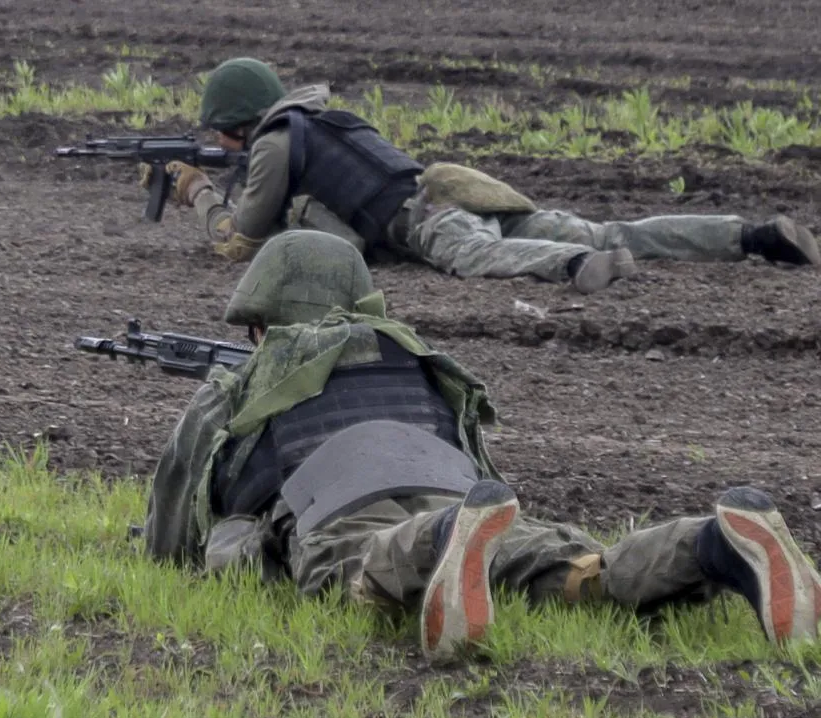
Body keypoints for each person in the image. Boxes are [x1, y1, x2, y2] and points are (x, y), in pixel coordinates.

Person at [144, 229, 821, 663]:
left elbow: (173, 526)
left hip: (354, 509)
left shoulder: (241, 382)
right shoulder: (415, 360)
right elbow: (480, 464)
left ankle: (440, 542)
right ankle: (712, 543)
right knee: (569, 571)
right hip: (465, 494)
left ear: (261, 321)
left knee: (356, 569)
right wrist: (477, 517)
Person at [140, 57, 820, 295]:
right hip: (451, 185)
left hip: (425, 218)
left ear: (236, 123)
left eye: (221, 132)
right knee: (610, 224)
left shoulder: (273, 145)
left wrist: (198, 193)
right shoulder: (320, 120)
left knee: (482, 257)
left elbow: (239, 239)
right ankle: (753, 235)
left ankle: (579, 262)